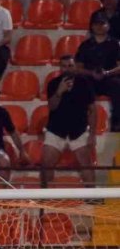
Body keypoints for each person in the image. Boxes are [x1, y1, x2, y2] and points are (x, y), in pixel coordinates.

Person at [42, 56, 97, 188]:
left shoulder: (84, 83)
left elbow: (93, 110)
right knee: (46, 164)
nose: (67, 68)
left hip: (79, 130)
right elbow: (52, 106)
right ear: (60, 68)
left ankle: (93, 197)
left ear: (75, 67)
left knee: (86, 163)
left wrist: (92, 134)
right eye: (64, 66)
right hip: (56, 131)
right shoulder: (53, 83)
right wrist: (59, 92)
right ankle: (44, 199)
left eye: (70, 66)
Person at [75, 12, 120, 133]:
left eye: (102, 23)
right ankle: (81, 121)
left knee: (117, 86)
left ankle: (117, 121)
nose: (99, 26)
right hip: (90, 79)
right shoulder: (85, 45)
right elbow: (78, 67)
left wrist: (107, 73)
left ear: (108, 25)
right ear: (92, 26)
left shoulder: (115, 44)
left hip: (109, 78)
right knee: (79, 85)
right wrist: (91, 73)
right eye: (96, 24)